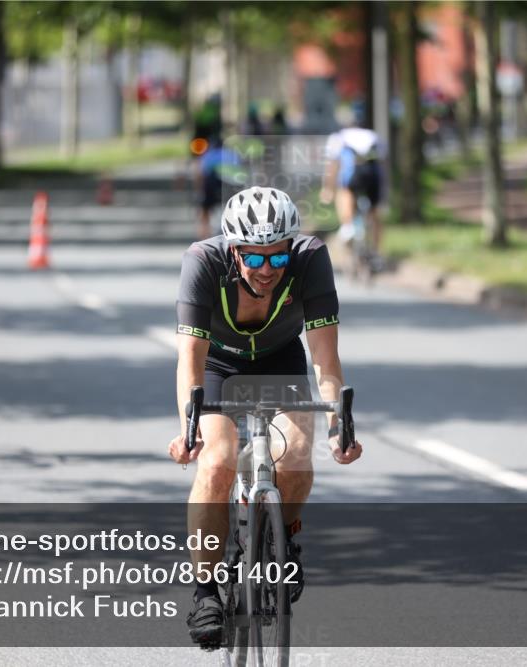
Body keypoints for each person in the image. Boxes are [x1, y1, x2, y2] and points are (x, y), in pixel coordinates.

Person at [168, 186, 363, 648]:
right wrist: (189, 430)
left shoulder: (310, 259)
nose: (267, 269)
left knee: (296, 456)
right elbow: (190, 360)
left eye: (277, 257)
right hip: (219, 364)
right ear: (234, 251)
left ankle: (284, 540)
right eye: (254, 258)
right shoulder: (203, 262)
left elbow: (325, 359)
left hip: (280, 360)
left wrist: (337, 427)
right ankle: (206, 593)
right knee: (217, 464)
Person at [319, 105, 386, 262]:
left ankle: (348, 225)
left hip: (353, 176)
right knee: (375, 213)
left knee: (344, 191)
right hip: (374, 176)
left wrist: (327, 189)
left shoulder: (338, 137)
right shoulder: (373, 136)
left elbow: (332, 165)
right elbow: (383, 161)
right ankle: (377, 252)